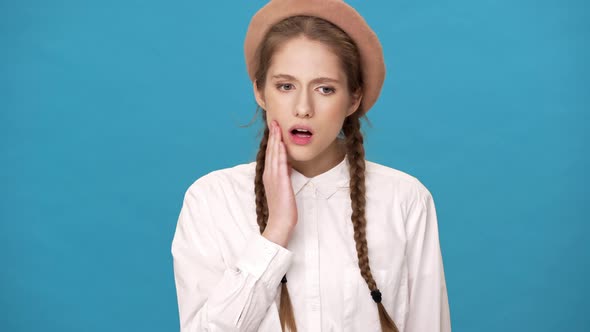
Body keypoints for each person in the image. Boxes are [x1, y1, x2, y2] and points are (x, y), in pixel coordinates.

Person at [171, 1, 451, 331]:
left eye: (325, 89)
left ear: (353, 99)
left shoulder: (405, 199)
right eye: (285, 86)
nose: (303, 108)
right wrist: (275, 234)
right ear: (260, 92)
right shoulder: (210, 200)